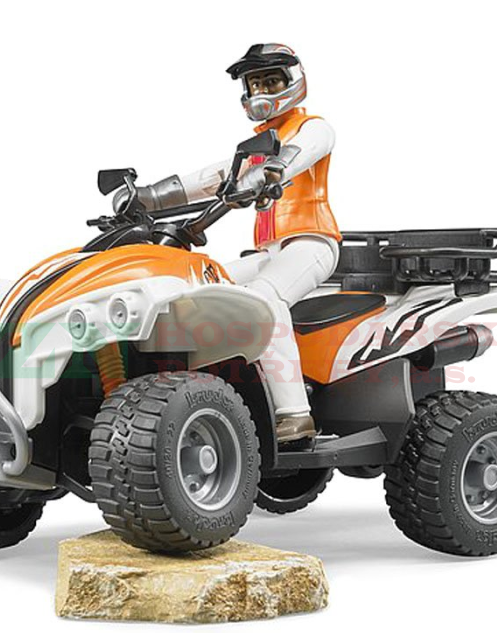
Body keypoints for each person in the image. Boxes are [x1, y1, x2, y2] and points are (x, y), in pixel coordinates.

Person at [115, 44, 340, 442]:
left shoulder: (312, 128)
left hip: (311, 244)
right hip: (268, 253)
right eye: (255, 84)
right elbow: (208, 178)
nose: (262, 92)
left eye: (271, 82)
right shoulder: (254, 148)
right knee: (196, 287)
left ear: (293, 81)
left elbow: (300, 154)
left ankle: (295, 413)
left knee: (264, 300)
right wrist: (145, 197)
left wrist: (272, 170)